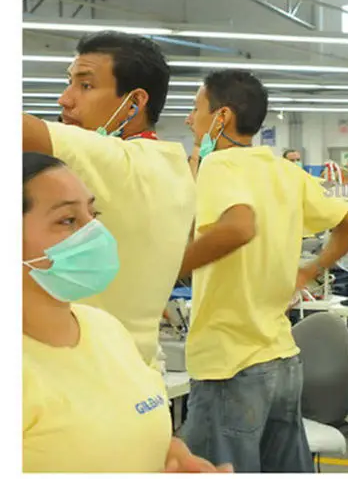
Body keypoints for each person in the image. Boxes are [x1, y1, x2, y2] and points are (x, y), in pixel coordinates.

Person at [178, 69, 348, 473]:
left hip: (229, 362)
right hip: (281, 360)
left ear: (222, 116)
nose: (188, 119)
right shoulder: (284, 171)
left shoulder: (219, 165)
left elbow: (239, 226)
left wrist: (169, 270)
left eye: (196, 108)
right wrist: (309, 271)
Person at [22, 152, 229, 473]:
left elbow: (124, 431)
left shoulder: (105, 328)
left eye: (94, 213)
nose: (96, 233)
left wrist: (170, 455)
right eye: (67, 220)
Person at [21, 31, 195, 370]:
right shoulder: (172, 165)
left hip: (84, 373)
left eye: (85, 85)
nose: (65, 100)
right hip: (135, 371)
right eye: (69, 83)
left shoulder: (122, 164)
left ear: (133, 103)